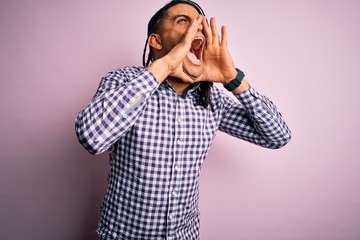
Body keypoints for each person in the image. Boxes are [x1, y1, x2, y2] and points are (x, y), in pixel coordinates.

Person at [75, 0, 291, 239]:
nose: (196, 29)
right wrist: (165, 65)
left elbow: (277, 136)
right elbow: (93, 138)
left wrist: (232, 78)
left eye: (200, 23)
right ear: (156, 41)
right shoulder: (124, 81)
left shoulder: (212, 101)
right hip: (123, 235)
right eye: (183, 21)